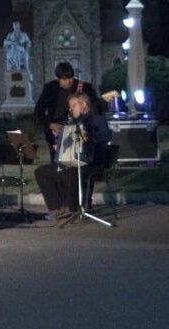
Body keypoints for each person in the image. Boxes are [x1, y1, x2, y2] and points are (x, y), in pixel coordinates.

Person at [33, 91, 110, 224]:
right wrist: (59, 138)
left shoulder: (97, 119)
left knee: (70, 171)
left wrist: (88, 137)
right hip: (75, 162)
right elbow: (67, 141)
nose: (70, 109)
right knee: (41, 172)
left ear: (83, 104)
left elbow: (105, 137)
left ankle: (73, 208)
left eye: (73, 105)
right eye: (70, 106)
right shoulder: (73, 122)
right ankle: (57, 208)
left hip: (93, 163)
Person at [33, 61, 103, 161]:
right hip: (54, 132)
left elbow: (96, 107)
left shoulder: (84, 87)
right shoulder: (50, 88)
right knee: (57, 161)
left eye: (70, 78)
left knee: (77, 160)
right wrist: (50, 124)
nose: (68, 82)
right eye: (64, 79)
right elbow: (38, 111)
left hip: (77, 131)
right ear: (58, 79)